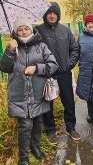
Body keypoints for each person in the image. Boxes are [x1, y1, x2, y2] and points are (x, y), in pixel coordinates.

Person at [0, 18, 58, 165]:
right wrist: (10, 50)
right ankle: (23, 157)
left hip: (38, 93)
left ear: (31, 29)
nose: (24, 32)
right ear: (16, 32)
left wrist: (36, 68)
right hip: (20, 93)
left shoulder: (41, 46)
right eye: (20, 29)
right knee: (25, 125)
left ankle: (35, 147)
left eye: (26, 28)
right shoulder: (13, 47)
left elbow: (53, 65)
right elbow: (5, 68)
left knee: (38, 122)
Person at [36, 2, 80, 143]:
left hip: (64, 73)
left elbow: (75, 48)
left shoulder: (65, 31)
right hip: (46, 75)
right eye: (49, 12)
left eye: (55, 12)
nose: (52, 15)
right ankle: (50, 130)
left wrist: (70, 63)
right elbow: (29, 47)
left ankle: (71, 127)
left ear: (58, 14)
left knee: (69, 102)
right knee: (47, 104)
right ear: (45, 14)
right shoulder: (38, 31)